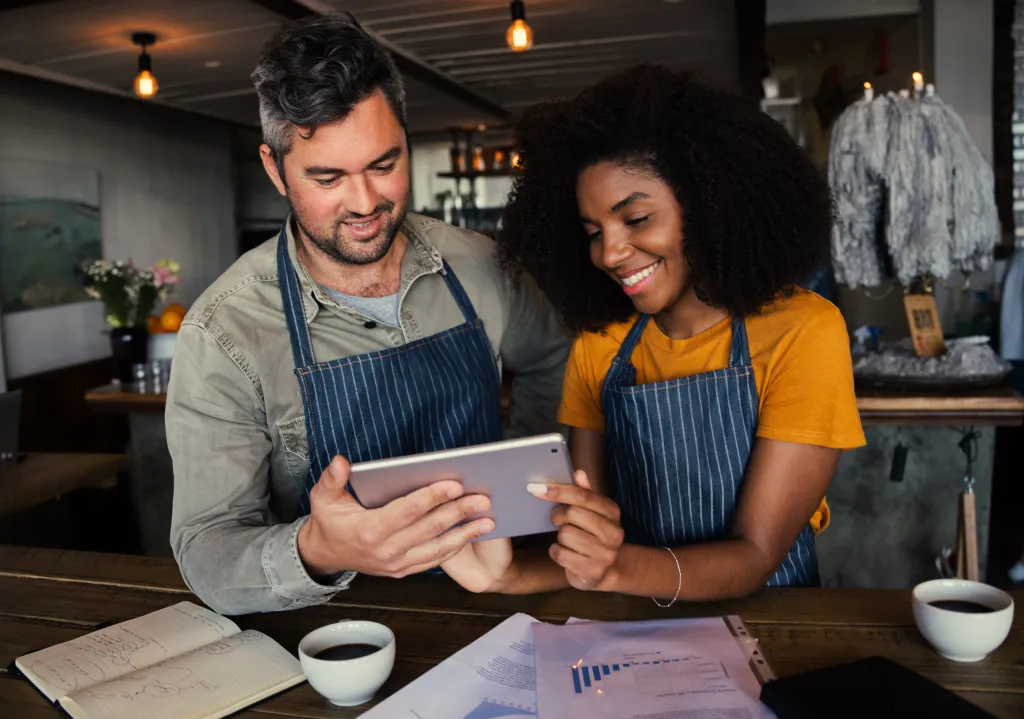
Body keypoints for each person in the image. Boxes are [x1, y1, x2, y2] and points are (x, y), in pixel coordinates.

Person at [165, 13, 570, 615]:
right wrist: (316, 549)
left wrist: (517, 490)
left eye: (384, 165)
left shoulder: (482, 264)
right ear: (275, 169)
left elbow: (555, 361)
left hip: (494, 595)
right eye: (327, 177)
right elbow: (204, 550)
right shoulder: (224, 332)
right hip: (333, 626)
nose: (364, 203)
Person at [442, 65, 866, 601]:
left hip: (775, 625)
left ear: (710, 205)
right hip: (634, 629)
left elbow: (756, 554)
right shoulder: (602, 343)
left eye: (636, 219)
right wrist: (506, 576)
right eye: (593, 232)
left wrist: (615, 569)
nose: (610, 252)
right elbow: (588, 541)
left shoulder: (803, 331)